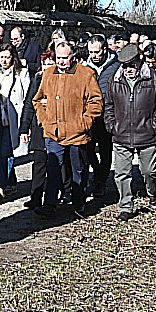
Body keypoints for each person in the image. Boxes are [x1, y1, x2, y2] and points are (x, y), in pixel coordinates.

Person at [31, 40, 102, 218]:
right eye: (58, 58)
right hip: (53, 132)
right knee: (53, 168)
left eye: (65, 58)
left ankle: (78, 205)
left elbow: (96, 102)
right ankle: (49, 205)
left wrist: (84, 123)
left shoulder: (86, 74)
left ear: (73, 56)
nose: (61, 61)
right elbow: (37, 100)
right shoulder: (48, 73)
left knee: (78, 170)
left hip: (77, 133)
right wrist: (44, 121)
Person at [102, 44, 156, 220]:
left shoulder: (155, 79)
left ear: (139, 62)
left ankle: (153, 196)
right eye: (124, 66)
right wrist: (112, 125)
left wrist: (153, 125)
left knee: (150, 171)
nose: (128, 70)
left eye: (131, 65)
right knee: (121, 173)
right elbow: (108, 105)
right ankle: (125, 206)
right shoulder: (114, 80)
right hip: (121, 135)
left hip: (147, 134)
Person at [0, 43, 31, 198]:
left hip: (12, 120)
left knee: (6, 151)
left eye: (7, 57)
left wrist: (26, 124)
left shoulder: (21, 73)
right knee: (4, 153)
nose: (4, 60)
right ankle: (12, 183)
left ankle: (1, 184)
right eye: (1, 57)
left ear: (12, 57)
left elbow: (27, 97)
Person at [19, 50, 55, 209]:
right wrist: (24, 128)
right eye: (45, 64)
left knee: (58, 164)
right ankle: (36, 197)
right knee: (39, 163)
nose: (47, 67)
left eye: (50, 64)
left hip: (57, 127)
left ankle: (62, 195)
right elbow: (29, 104)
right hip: (39, 127)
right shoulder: (37, 79)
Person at [82, 35, 116, 196]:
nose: (94, 55)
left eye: (97, 52)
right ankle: (96, 172)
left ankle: (101, 180)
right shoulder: (84, 67)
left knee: (105, 149)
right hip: (90, 114)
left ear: (105, 49)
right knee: (88, 149)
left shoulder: (115, 66)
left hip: (108, 114)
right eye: (91, 52)